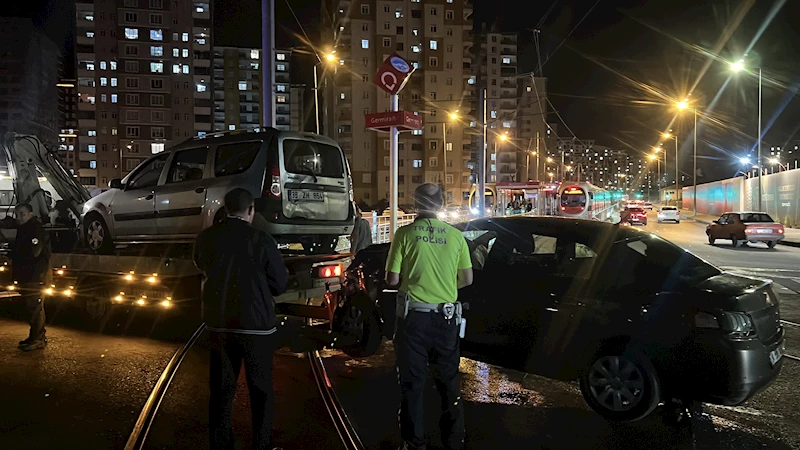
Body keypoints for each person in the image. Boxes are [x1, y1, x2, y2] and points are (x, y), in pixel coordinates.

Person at [193, 188, 288, 450]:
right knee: (261, 391)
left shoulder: (206, 238)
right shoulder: (263, 240)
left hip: (219, 324)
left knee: (222, 391)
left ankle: (221, 444)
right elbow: (279, 284)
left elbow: (200, 264)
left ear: (225, 208)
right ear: (251, 211)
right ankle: (261, 445)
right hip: (256, 327)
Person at [385, 183, 474, 450]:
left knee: (413, 384)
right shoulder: (456, 236)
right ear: (441, 206)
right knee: (448, 381)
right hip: (447, 319)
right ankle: (454, 441)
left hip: (414, 319)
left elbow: (392, 279)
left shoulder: (405, 234)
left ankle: (414, 443)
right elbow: (467, 279)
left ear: (415, 205)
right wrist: (445, 287)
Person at [8, 203, 52, 351]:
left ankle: (37, 339)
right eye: (17, 214)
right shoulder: (25, 228)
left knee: (34, 306)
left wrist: (15, 254)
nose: (18, 217)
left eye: (22, 214)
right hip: (29, 276)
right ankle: (36, 336)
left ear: (31, 214)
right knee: (32, 307)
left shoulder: (34, 229)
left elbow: (34, 252)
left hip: (35, 276)